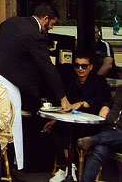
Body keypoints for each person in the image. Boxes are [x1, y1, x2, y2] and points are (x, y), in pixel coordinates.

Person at [0, 4, 71, 170]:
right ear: (45, 19)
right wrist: (63, 98)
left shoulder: (11, 22)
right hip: (6, 81)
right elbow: (48, 68)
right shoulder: (34, 35)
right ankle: (14, 165)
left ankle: (2, 163)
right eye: (52, 24)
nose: (51, 28)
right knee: (13, 123)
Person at [44, 51, 110, 182]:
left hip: (91, 125)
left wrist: (81, 104)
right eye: (77, 65)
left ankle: (67, 168)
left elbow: (102, 100)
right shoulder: (70, 82)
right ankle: (67, 167)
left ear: (90, 67)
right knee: (58, 128)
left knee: (67, 130)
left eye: (84, 66)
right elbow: (67, 105)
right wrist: (54, 120)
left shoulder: (99, 81)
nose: (80, 69)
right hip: (72, 122)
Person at [77, 86, 122, 182]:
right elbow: (110, 103)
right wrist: (105, 106)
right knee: (98, 152)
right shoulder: (120, 89)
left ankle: (93, 139)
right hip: (110, 131)